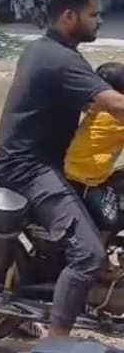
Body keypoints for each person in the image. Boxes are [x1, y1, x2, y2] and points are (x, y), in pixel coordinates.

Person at [0, 0, 124, 338]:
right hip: (30, 169)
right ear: (69, 17)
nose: (99, 20)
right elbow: (114, 103)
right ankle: (58, 342)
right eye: (93, 15)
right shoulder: (60, 61)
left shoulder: (44, 50)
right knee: (88, 256)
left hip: (47, 163)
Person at [64, 61, 124, 277]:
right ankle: (98, 264)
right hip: (85, 179)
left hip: (85, 171)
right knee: (111, 219)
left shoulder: (98, 107)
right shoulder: (115, 116)